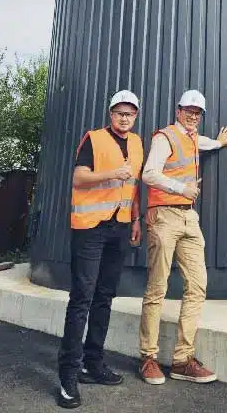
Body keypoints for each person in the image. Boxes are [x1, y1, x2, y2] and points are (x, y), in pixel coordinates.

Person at [56, 90, 145, 409]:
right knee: (82, 298)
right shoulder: (93, 139)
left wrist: (135, 219)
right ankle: (67, 374)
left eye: (130, 113)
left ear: (135, 116)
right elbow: (79, 179)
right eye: (120, 113)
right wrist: (112, 173)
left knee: (105, 297)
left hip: (119, 227)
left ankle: (93, 364)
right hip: (90, 228)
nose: (125, 118)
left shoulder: (137, 143)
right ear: (111, 114)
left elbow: (132, 185)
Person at [137, 89, 227, 385]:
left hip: (189, 218)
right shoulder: (164, 137)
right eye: (189, 110)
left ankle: (182, 360)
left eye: (198, 112)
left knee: (197, 286)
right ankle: (148, 358)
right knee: (157, 288)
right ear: (178, 110)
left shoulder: (192, 138)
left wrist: (218, 142)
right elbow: (148, 174)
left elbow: (200, 144)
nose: (193, 115)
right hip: (165, 215)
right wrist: (182, 190)